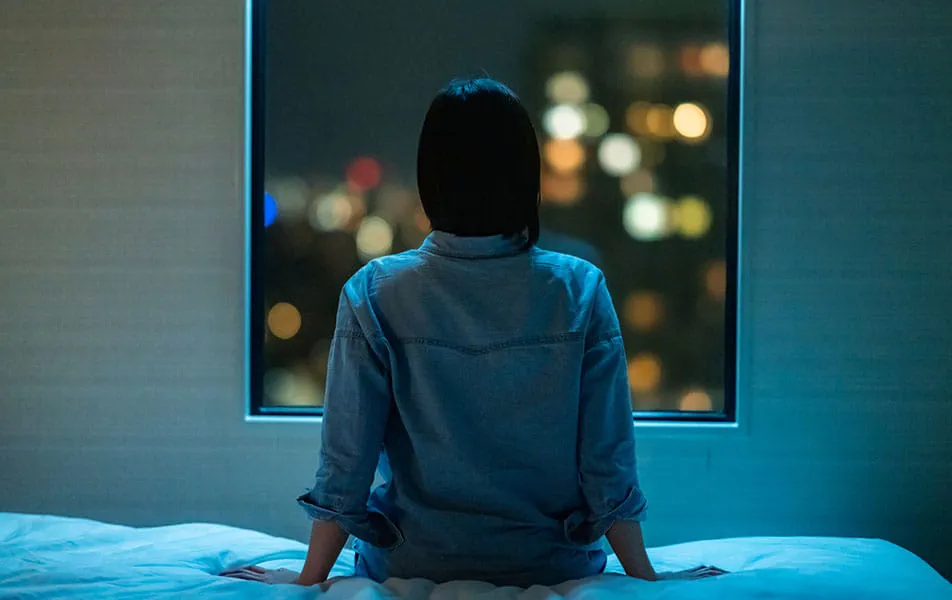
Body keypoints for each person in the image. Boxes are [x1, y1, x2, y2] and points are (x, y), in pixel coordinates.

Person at [223, 78, 725, 587]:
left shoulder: (374, 292)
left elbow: (345, 463)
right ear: (526, 174)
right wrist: (645, 575)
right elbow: (606, 462)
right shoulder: (579, 288)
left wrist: (309, 577)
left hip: (412, 560)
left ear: (430, 178)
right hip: (548, 562)